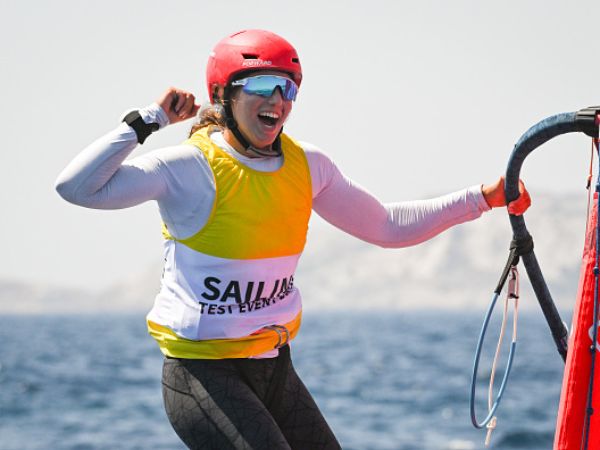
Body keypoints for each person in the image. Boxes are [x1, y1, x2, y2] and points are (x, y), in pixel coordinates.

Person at [55, 29, 530, 450]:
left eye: (288, 89)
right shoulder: (189, 167)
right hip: (201, 373)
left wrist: (482, 198)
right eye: (263, 86)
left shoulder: (308, 166)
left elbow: (387, 226)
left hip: (274, 368)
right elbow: (76, 188)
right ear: (222, 95)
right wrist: (150, 119)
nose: (278, 101)